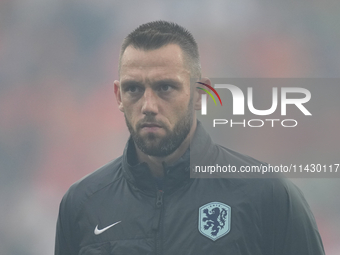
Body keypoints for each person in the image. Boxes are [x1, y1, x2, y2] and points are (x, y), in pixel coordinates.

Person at [55, 21, 325, 255]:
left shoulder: (267, 194)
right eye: (134, 88)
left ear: (200, 95)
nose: (148, 104)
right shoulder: (82, 203)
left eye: (165, 87)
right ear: (118, 97)